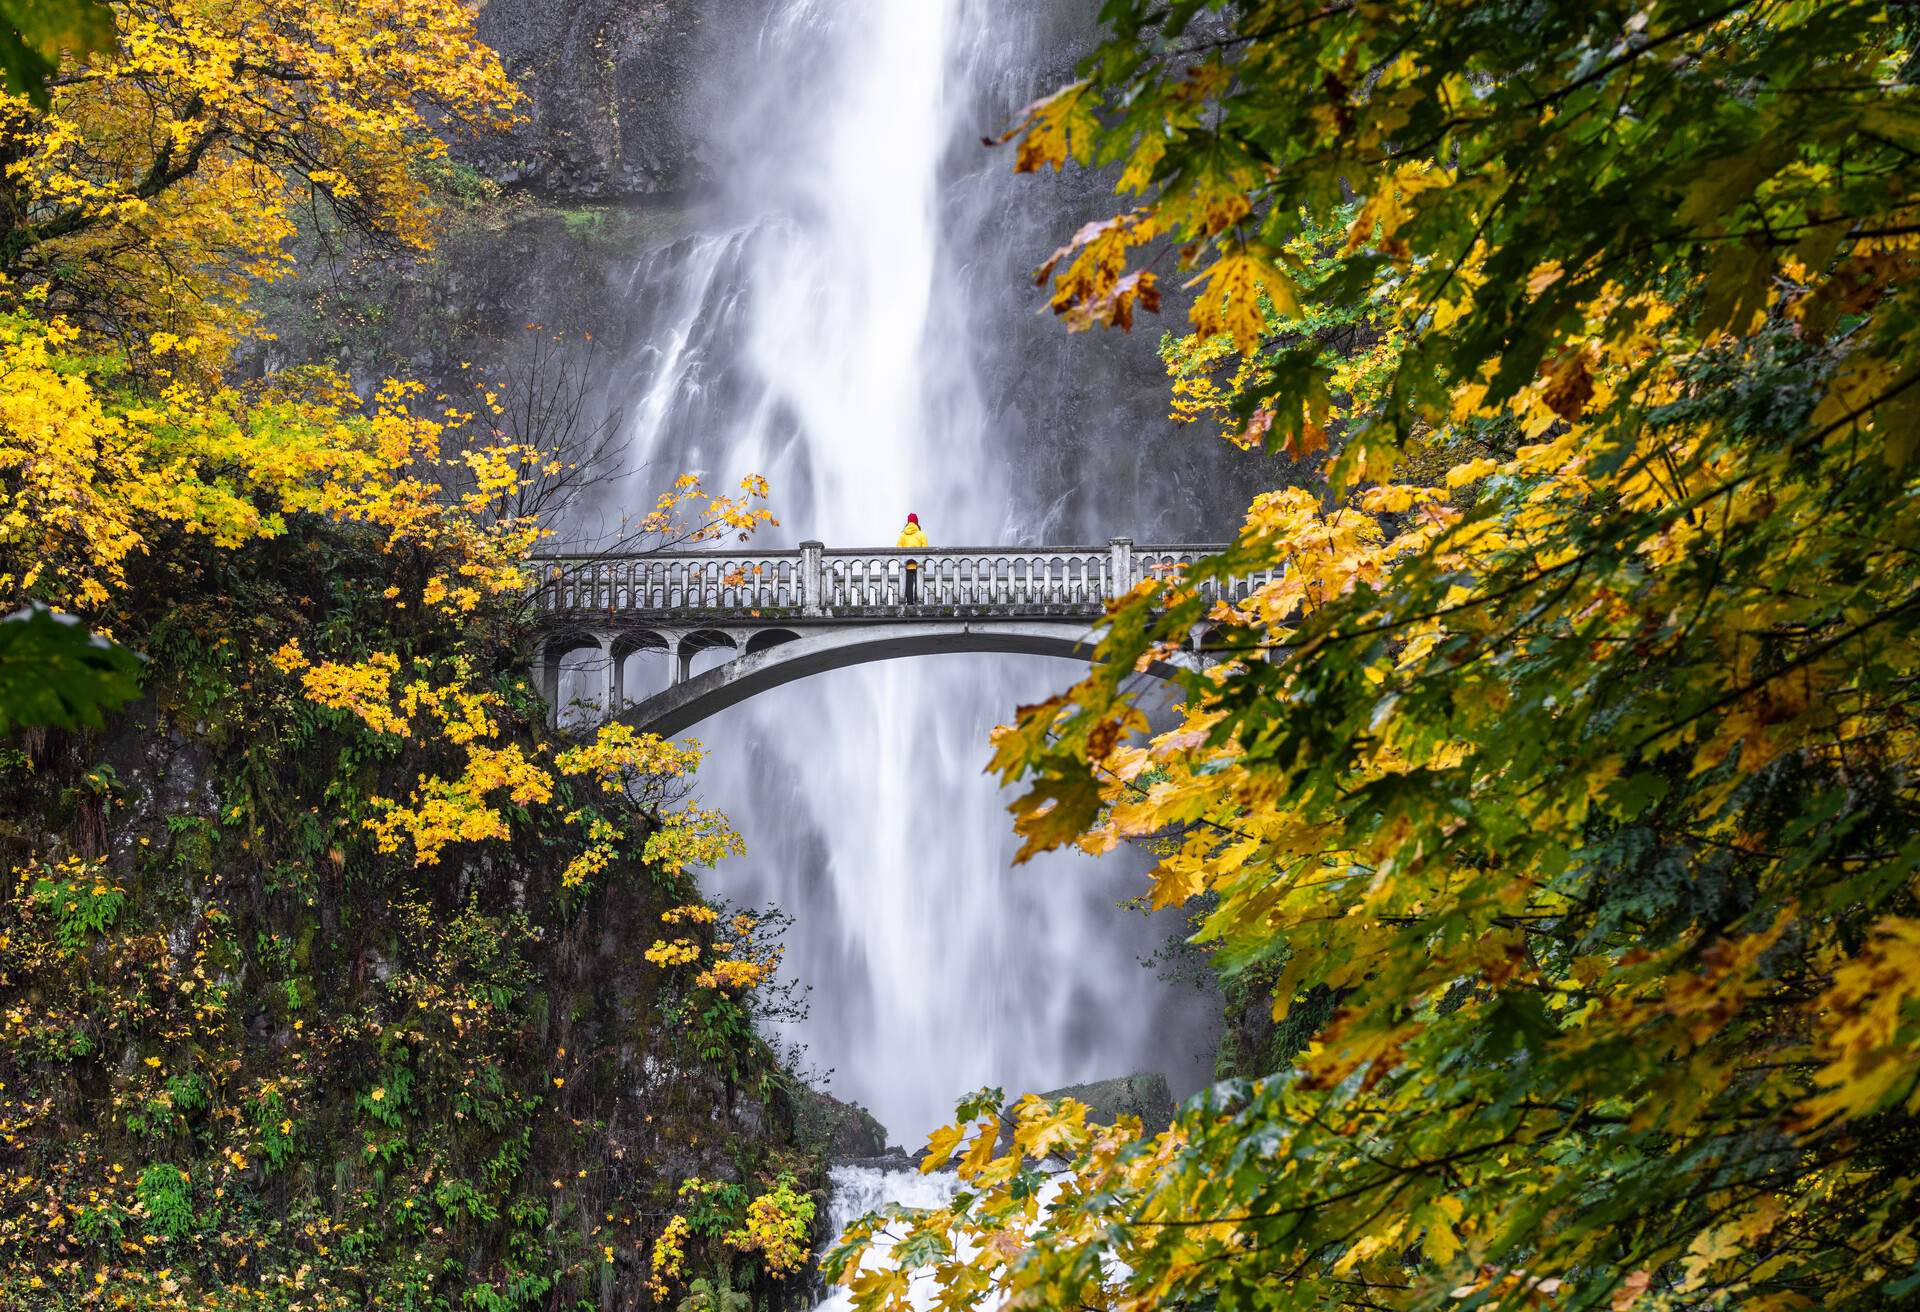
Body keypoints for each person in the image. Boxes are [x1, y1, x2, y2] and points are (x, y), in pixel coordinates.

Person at [896, 512, 928, 603]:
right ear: (916, 522)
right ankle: (918, 602)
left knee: (908, 584)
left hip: (907, 565)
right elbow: (926, 550)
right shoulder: (922, 534)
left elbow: (898, 549)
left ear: (908, 522)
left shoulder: (902, 535)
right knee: (919, 584)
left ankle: (909, 603)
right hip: (919, 565)